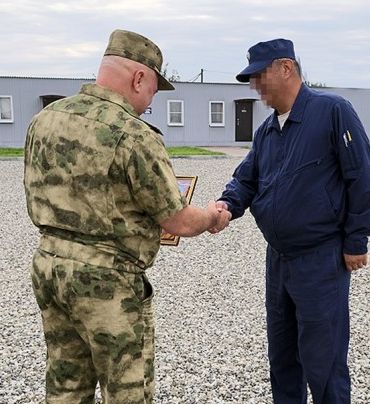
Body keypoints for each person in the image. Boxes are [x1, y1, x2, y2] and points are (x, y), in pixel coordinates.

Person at [24, 29, 231, 403]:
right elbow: (179, 220)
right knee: (128, 390)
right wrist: (213, 217)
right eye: (152, 89)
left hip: (49, 268)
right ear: (138, 78)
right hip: (107, 281)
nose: (150, 102)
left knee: (66, 380)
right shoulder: (134, 134)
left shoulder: (45, 120)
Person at [215, 38, 370, 403]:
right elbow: (247, 179)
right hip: (280, 260)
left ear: (286, 67)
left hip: (320, 260)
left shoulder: (332, 111)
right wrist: (225, 206)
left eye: (260, 76)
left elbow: (362, 177)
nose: (256, 87)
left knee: (323, 361)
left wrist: (356, 241)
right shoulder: (268, 130)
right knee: (283, 358)